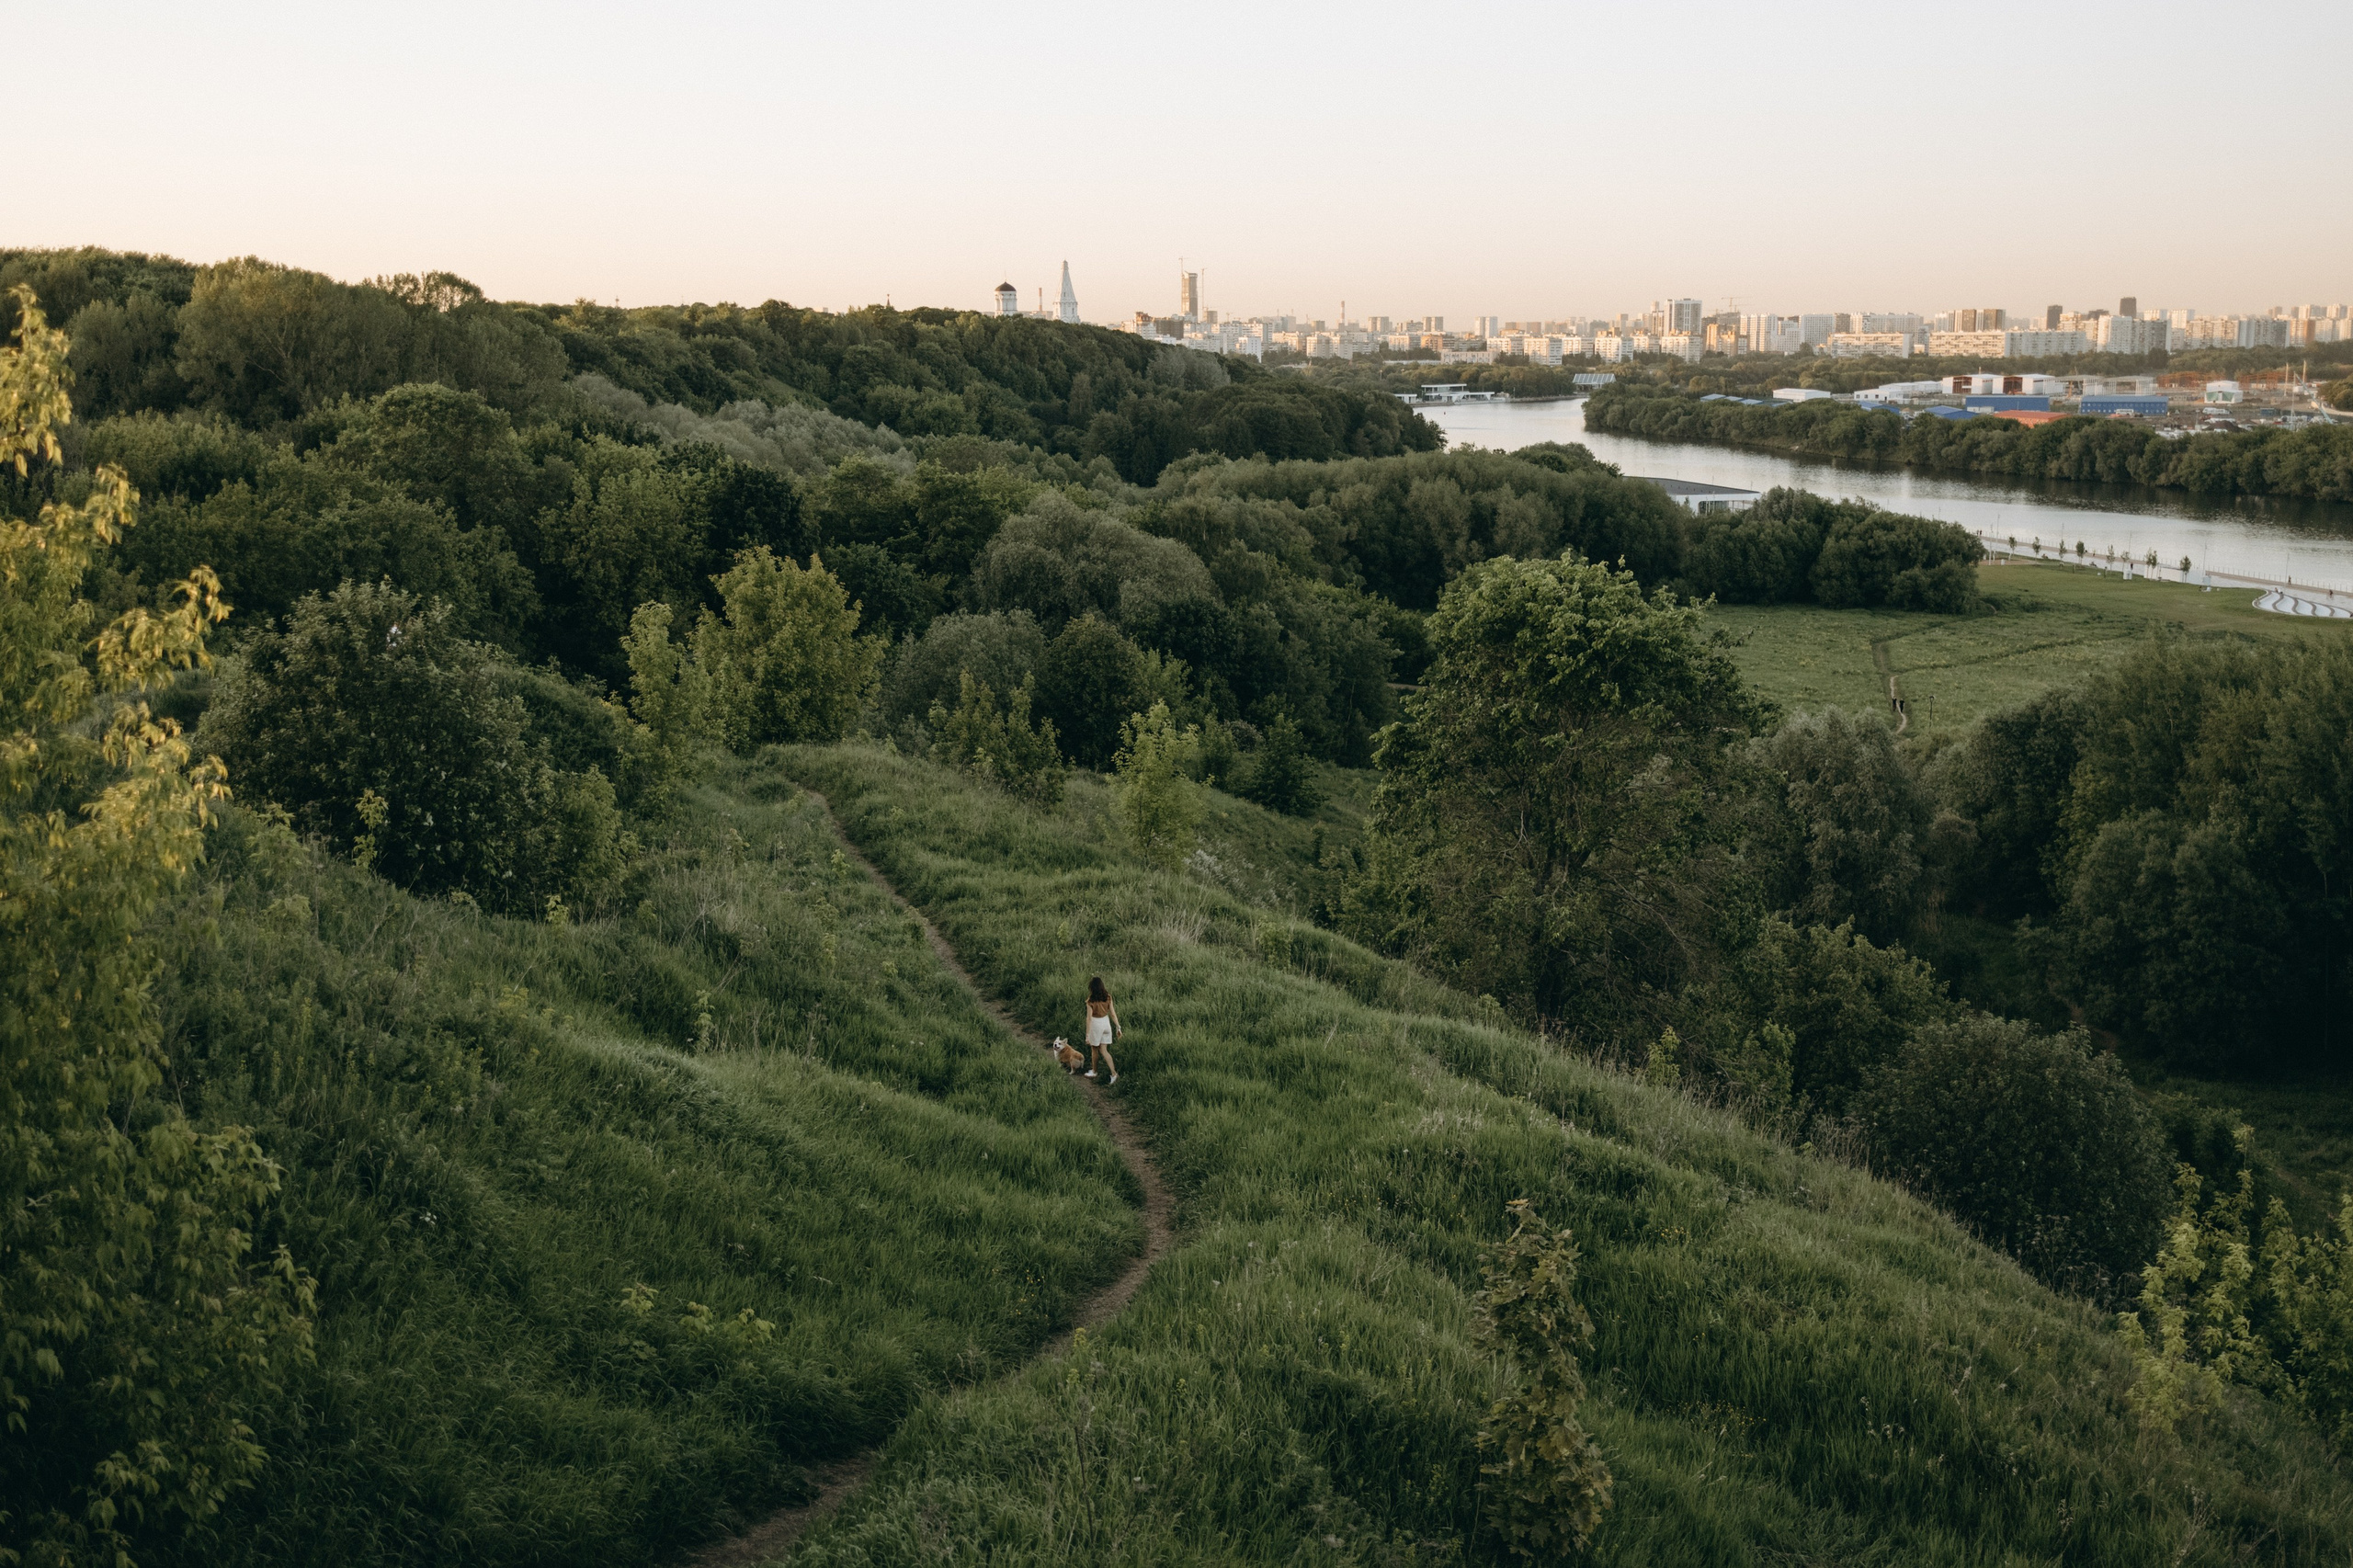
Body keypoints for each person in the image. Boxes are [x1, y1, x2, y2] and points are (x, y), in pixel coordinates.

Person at [1083, 975, 1120, 1085]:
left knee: (1095, 1049)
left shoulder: (1090, 1001)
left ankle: (1094, 1071)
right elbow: (1112, 1014)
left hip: (1096, 1024)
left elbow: (1089, 1018)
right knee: (1104, 1050)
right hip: (1106, 1023)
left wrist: (1087, 1034)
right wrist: (1118, 1027)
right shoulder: (1108, 997)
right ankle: (1114, 1073)